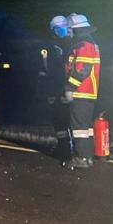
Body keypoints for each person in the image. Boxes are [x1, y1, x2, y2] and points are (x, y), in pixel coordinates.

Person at [62, 13, 100, 170]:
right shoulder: (88, 43)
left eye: (69, 29)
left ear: (75, 29)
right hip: (87, 92)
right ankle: (87, 157)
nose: (68, 32)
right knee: (85, 127)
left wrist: (70, 87)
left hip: (81, 92)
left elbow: (82, 69)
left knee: (79, 127)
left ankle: (82, 158)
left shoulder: (83, 45)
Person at [40, 15, 73, 160]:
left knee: (65, 120)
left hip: (65, 88)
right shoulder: (55, 46)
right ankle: (65, 148)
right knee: (61, 120)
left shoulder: (68, 45)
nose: (60, 31)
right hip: (60, 88)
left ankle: (68, 149)